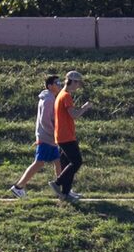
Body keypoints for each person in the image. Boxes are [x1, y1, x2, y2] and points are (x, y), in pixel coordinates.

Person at [9, 74, 64, 198]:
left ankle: (62, 188)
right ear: (50, 86)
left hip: (48, 137)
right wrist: (54, 134)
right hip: (47, 137)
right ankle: (18, 187)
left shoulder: (49, 97)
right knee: (39, 163)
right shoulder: (49, 99)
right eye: (57, 83)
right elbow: (45, 121)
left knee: (58, 162)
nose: (60, 85)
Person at [50, 71, 92, 203]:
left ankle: (65, 193)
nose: (78, 86)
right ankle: (57, 183)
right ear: (72, 81)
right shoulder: (66, 96)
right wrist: (85, 107)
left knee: (67, 164)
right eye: (78, 83)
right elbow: (74, 115)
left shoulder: (60, 95)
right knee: (76, 162)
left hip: (61, 135)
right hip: (66, 136)